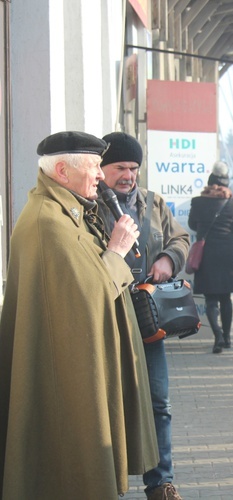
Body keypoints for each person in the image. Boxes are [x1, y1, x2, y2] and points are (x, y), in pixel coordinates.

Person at [0, 131, 157, 497]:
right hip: (68, 371)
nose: (100, 176)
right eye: (93, 168)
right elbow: (90, 294)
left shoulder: (63, 212)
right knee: (72, 463)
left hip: (69, 363)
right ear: (61, 170)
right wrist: (117, 250)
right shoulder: (49, 223)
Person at [96, 132, 189, 500]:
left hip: (148, 320)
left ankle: (160, 482)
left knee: (158, 403)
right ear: (102, 168)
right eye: (120, 167)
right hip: (107, 317)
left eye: (134, 168)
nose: (129, 176)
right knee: (108, 405)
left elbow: (180, 238)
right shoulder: (88, 204)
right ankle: (107, 482)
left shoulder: (152, 202)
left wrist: (168, 259)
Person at [188, 161, 233, 354]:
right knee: (226, 298)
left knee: (210, 299)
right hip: (228, 255)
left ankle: (217, 335)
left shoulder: (198, 202)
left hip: (207, 254)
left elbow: (192, 224)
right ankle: (227, 337)